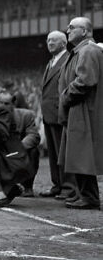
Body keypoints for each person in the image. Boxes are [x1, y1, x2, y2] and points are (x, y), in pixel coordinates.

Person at [58, 17, 103, 210]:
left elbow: (86, 81)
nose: (68, 30)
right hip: (79, 108)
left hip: (83, 108)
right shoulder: (82, 51)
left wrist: (66, 95)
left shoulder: (88, 50)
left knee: (82, 154)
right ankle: (85, 194)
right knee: (79, 154)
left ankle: (90, 197)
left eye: (72, 27)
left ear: (84, 31)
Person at [39, 31, 76, 199]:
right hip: (49, 113)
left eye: (54, 40)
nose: (49, 43)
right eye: (48, 40)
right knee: (53, 152)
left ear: (63, 43)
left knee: (63, 152)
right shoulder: (51, 62)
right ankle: (57, 184)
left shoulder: (68, 59)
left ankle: (68, 187)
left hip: (60, 112)